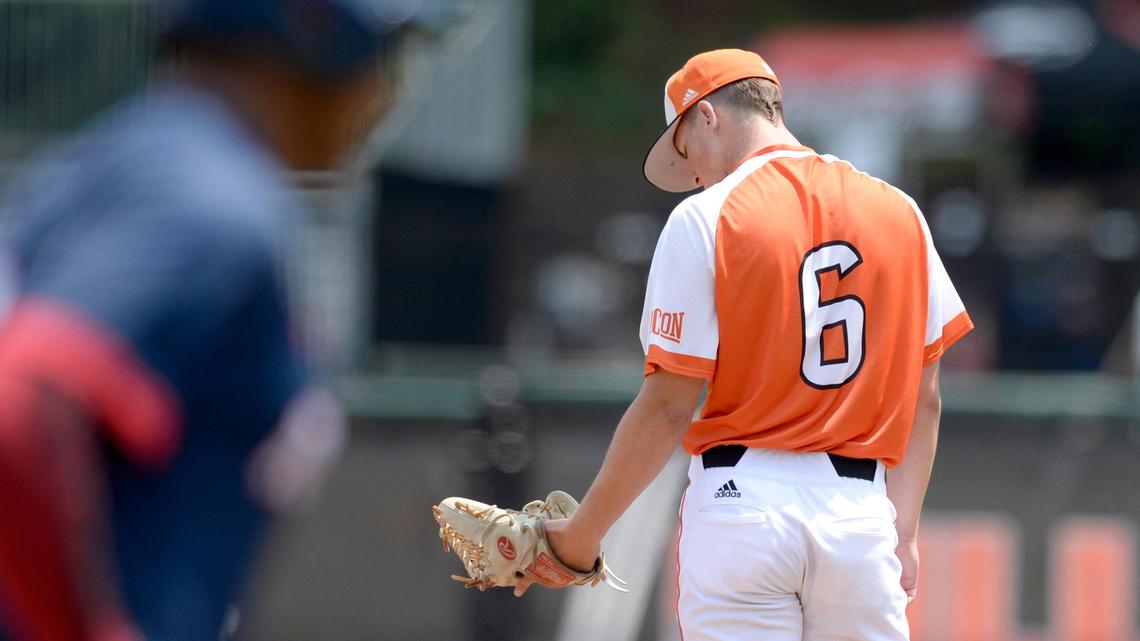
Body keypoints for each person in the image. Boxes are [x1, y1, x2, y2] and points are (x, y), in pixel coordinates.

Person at [516, 49, 974, 641]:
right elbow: (925, 397)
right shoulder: (901, 211)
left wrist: (580, 537)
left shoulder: (706, 217)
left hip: (743, 505)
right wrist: (903, 533)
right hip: (861, 517)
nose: (696, 175)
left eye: (686, 152)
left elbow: (667, 408)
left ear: (706, 115)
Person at [0, 2, 417, 640]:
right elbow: (22, 400)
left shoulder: (124, 159)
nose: (384, 91)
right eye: (383, 54)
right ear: (311, 30)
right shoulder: (210, 203)